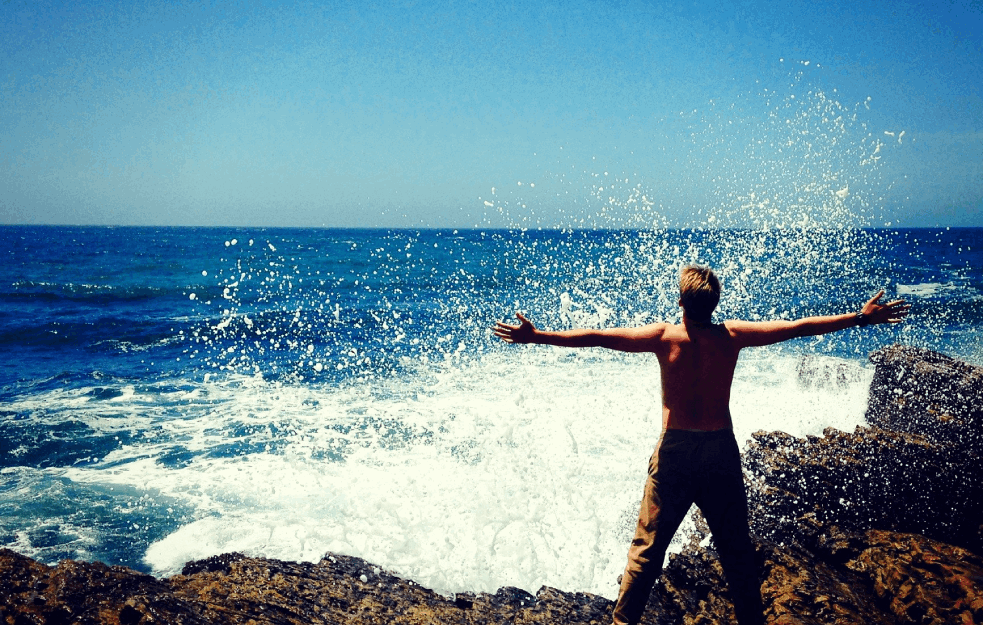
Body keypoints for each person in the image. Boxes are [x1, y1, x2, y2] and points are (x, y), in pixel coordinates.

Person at [493, 264, 909, 625]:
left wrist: (539, 337)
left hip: (674, 452)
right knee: (736, 552)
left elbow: (599, 337)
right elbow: (798, 328)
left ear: (681, 301)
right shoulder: (732, 336)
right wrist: (858, 318)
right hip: (718, 452)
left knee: (647, 550)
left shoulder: (664, 337)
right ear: (714, 302)